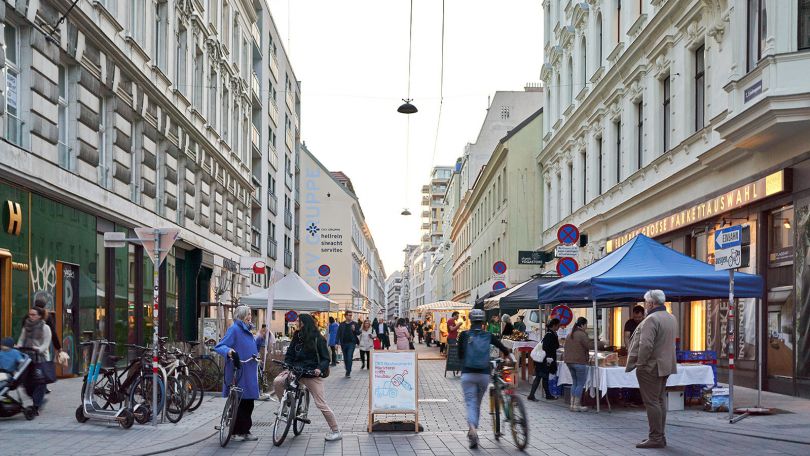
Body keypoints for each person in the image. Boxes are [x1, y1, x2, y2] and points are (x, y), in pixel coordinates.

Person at [273, 313, 342, 442]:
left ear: (304, 323)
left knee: (321, 404)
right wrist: (287, 367)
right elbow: (290, 353)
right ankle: (288, 407)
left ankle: (336, 431)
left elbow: (326, 358)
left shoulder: (318, 338)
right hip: (295, 372)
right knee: (278, 381)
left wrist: (318, 369)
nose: (296, 323)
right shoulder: (297, 336)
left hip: (311, 374)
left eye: (298, 321)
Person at [626, 290, 677, 449]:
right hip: (665, 365)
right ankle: (659, 436)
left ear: (651, 303)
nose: (645, 305)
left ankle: (656, 437)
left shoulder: (651, 319)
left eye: (646, 302)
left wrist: (640, 364)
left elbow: (646, 345)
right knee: (660, 401)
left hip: (651, 366)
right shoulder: (671, 317)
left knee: (652, 402)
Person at [458, 309, 513, 449]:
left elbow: (460, 355)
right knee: (477, 404)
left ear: (470, 320)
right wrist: (507, 355)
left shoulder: (464, 335)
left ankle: (473, 429)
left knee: (470, 403)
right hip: (483, 374)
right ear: (483, 321)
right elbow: (503, 348)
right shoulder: (488, 335)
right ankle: (474, 429)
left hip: (467, 374)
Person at [214, 306, 260, 441]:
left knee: (247, 401)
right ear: (241, 315)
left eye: (250, 314)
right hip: (239, 370)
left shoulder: (247, 330)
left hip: (249, 369)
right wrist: (229, 351)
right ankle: (241, 431)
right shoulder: (234, 329)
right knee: (242, 402)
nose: (250, 317)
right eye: (248, 314)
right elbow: (220, 346)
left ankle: (240, 430)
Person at [18, 306, 52, 414]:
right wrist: (18, 346)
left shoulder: (45, 327)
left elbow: (46, 344)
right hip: (27, 358)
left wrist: (38, 349)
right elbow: (21, 340)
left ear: (40, 316)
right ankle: (39, 400)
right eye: (30, 314)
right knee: (26, 383)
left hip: (40, 358)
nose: (31, 316)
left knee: (39, 382)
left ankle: (36, 405)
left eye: (33, 314)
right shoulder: (26, 327)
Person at [528, 318, 560, 401]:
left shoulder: (551, 333)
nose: (558, 327)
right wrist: (549, 358)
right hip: (545, 360)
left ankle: (547, 395)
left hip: (544, 359)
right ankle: (532, 395)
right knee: (540, 377)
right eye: (557, 325)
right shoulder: (550, 335)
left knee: (544, 377)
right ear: (554, 325)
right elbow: (547, 347)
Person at [565, 317, 591, 412]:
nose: (586, 327)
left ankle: (572, 404)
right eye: (586, 325)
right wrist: (601, 343)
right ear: (583, 325)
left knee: (575, 382)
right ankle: (576, 405)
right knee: (580, 383)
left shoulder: (570, 334)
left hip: (569, 362)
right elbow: (589, 345)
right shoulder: (581, 334)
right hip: (579, 362)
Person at [336, 311, 360, 378]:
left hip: (352, 343)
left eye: (351, 315)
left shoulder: (355, 324)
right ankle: (347, 369)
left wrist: (354, 330)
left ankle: (348, 372)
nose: (350, 316)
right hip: (343, 343)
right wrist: (336, 343)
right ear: (345, 316)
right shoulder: (342, 324)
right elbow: (338, 333)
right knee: (346, 358)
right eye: (349, 315)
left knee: (349, 357)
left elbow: (358, 333)